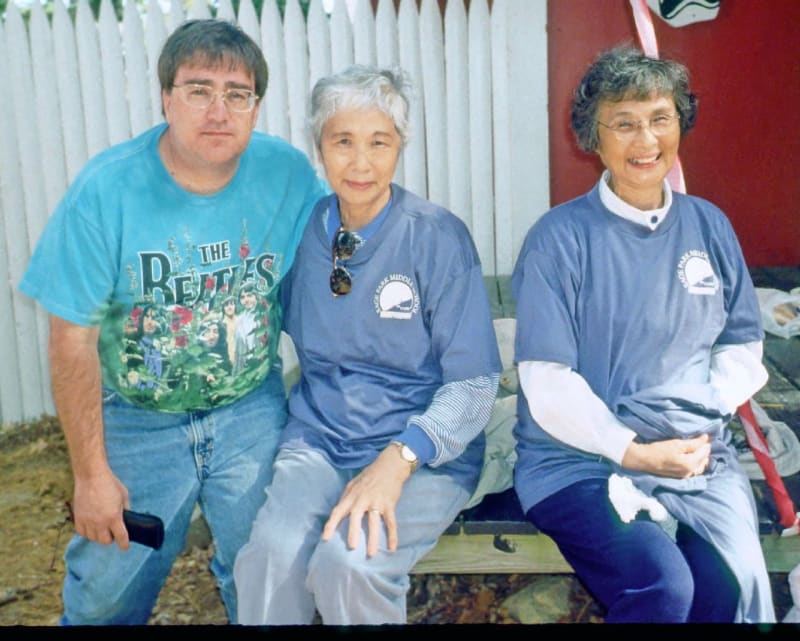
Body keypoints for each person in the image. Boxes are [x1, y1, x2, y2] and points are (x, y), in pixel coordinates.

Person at [17, 18, 324, 625]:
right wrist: (91, 473)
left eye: (237, 94)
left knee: (269, 582)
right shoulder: (108, 190)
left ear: (256, 106)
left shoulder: (286, 177)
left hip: (249, 412)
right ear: (166, 97)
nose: (219, 111)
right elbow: (70, 339)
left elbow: (344, 252)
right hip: (137, 421)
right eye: (198, 89)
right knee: (108, 593)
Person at [511, 45, 775, 623]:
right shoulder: (559, 239)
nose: (646, 140)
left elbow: (741, 344)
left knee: (726, 591)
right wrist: (632, 450)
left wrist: (697, 418)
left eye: (661, 119)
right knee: (662, 588)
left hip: (693, 456)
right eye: (624, 124)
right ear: (593, 138)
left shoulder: (709, 223)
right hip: (581, 461)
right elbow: (545, 380)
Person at [233, 65, 502, 625]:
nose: (360, 162)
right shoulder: (298, 231)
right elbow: (251, 316)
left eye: (378, 142)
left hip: (421, 451)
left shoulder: (436, 236)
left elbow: (475, 384)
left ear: (400, 145)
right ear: (319, 147)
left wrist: (400, 458)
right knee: (269, 559)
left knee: (349, 564)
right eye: (343, 141)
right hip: (321, 439)